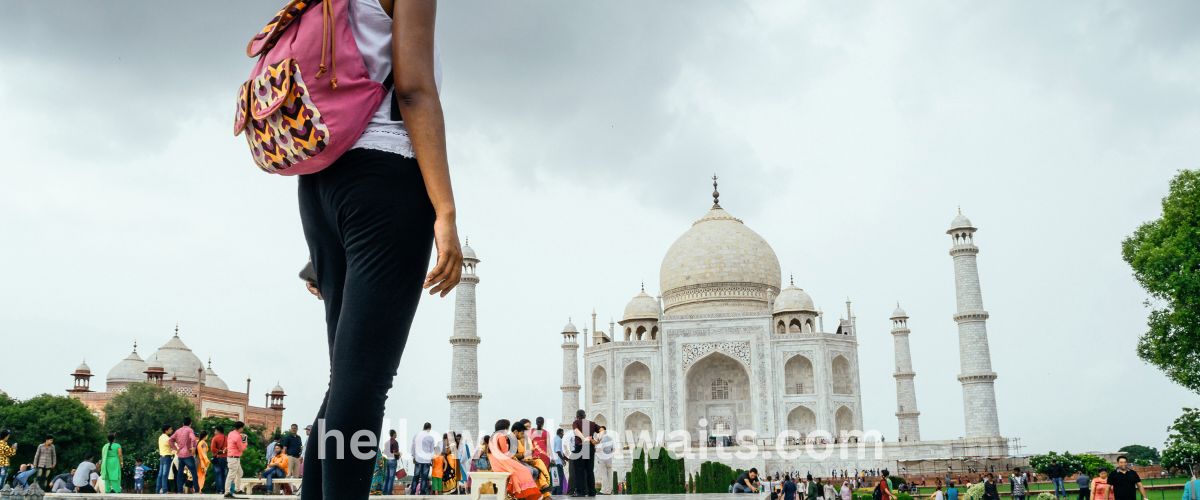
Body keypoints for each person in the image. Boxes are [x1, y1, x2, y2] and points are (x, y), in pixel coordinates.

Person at [294, 0, 462, 497]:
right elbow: (412, 90)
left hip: (321, 184)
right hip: (386, 175)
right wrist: (445, 210)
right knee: (364, 383)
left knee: (345, 380)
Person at [487, 419, 541, 500]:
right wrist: (515, 458)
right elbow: (506, 453)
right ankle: (524, 493)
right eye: (507, 428)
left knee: (522, 470)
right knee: (524, 470)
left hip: (495, 463)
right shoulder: (501, 436)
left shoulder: (493, 436)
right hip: (502, 463)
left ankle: (520, 493)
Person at [570, 409, 599, 497]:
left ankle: (581, 492)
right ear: (585, 416)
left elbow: (575, 431)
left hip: (580, 447)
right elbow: (602, 430)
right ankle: (592, 491)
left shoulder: (576, 422)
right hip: (590, 448)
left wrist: (583, 438)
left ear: (577, 416)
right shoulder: (592, 423)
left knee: (579, 471)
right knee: (590, 470)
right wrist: (597, 441)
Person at [172, 416, 199, 494]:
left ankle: (179, 490)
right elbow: (193, 439)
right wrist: (193, 447)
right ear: (190, 423)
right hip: (188, 455)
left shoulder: (178, 431)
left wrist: (175, 449)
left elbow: (171, 440)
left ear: (183, 423)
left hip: (180, 455)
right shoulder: (190, 430)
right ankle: (196, 490)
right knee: (193, 472)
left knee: (179, 473)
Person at [410, 422, 436, 494]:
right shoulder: (431, 437)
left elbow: (413, 447)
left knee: (416, 476)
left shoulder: (417, 435)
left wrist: (413, 456)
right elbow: (432, 450)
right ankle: (422, 492)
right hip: (426, 460)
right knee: (424, 477)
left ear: (423, 427)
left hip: (418, 459)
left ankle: (413, 491)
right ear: (430, 428)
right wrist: (431, 460)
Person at [225, 421, 247, 499]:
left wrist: (241, 437)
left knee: (240, 473)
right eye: (242, 428)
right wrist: (245, 441)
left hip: (233, 457)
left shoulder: (231, 433)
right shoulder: (237, 437)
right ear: (240, 428)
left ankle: (237, 489)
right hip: (234, 458)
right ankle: (227, 492)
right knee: (231, 476)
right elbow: (242, 448)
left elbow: (234, 440)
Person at [596, 426, 614, 495]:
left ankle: (604, 490)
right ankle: (610, 490)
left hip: (602, 459)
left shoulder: (600, 439)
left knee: (604, 474)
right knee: (609, 474)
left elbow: (599, 449)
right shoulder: (610, 438)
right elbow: (613, 449)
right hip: (609, 458)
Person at [157, 425, 174, 494]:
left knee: (160, 474)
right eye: (170, 429)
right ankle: (164, 490)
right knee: (165, 474)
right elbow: (172, 447)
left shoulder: (160, 437)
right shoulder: (167, 439)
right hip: (167, 457)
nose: (171, 430)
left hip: (161, 457)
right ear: (166, 431)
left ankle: (157, 489)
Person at [211, 426, 228, 495]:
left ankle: (219, 490)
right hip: (226, 458)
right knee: (224, 474)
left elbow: (212, 449)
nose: (214, 432)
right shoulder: (226, 438)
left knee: (218, 474)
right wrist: (224, 452)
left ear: (218, 431)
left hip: (218, 458)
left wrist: (220, 451)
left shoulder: (215, 438)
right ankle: (224, 489)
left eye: (215, 431)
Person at [383, 429, 400, 496]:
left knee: (387, 477)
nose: (396, 435)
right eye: (396, 433)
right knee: (391, 477)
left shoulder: (386, 442)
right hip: (393, 460)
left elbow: (384, 452)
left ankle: (384, 491)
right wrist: (399, 453)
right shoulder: (395, 442)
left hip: (387, 460)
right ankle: (389, 492)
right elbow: (395, 452)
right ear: (393, 434)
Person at [552, 428, 568, 495]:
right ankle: (559, 492)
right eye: (563, 433)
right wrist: (563, 460)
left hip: (554, 461)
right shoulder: (559, 439)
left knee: (555, 478)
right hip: (558, 462)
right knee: (560, 477)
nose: (563, 434)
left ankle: (554, 492)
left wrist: (565, 458)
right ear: (561, 433)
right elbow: (558, 451)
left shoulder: (554, 439)